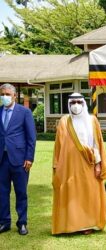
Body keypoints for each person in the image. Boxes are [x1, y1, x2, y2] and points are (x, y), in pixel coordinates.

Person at [52, 93, 106, 235]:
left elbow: (97, 144)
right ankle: (70, 224)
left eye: (79, 102)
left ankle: (87, 224)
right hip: (68, 166)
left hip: (88, 164)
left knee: (88, 194)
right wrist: (56, 165)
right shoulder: (64, 121)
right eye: (73, 102)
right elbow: (58, 146)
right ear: (69, 104)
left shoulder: (92, 120)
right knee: (71, 194)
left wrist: (98, 165)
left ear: (84, 103)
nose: (75, 105)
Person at [0, 83, 36, 235]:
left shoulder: (24, 112)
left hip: (20, 160)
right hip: (2, 159)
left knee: (21, 192)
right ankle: (4, 222)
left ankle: (22, 223)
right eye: (3, 94)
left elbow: (31, 137)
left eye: (8, 94)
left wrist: (29, 157)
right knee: (2, 192)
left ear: (15, 96)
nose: (5, 97)